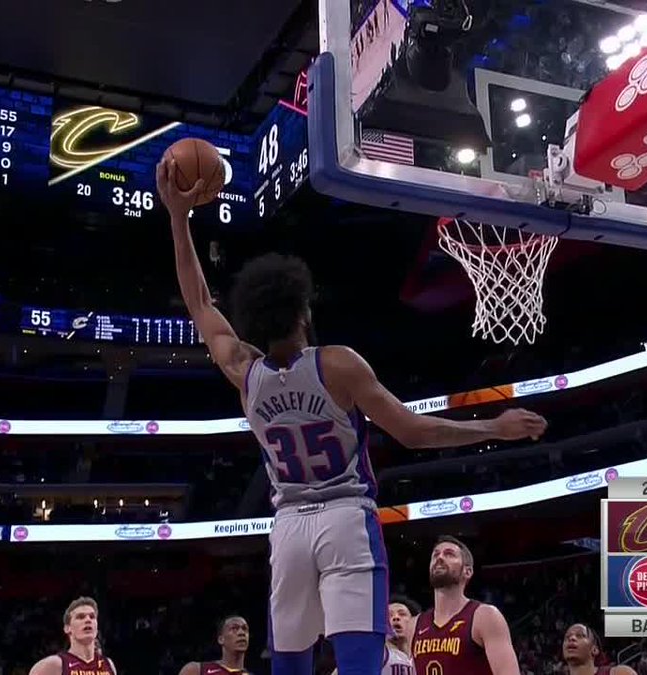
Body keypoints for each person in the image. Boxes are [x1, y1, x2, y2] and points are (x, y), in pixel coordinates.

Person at [157, 159, 546, 675]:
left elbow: (200, 304)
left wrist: (178, 217)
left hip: (288, 526)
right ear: (303, 311)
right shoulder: (337, 364)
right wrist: (493, 427)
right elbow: (413, 431)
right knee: (360, 661)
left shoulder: (244, 372)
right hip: (345, 518)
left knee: (289, 663)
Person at [411, 537, 519, 675]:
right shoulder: (413, 625)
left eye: (449, 554)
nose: (440, 558)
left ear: (467, 571)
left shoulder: (485, 617)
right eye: (435, 554)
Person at [28, 597, 117, 675]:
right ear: (67, 628)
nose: (88, 620)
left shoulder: (108, 664)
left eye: (92, 616)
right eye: (80, 617)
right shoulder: (54, 664)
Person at [331, 598, 418, 675]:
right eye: (389, 615)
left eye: (402, 614)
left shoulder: (420, 656)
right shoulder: (373, 651)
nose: (396, 617)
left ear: (413, 621)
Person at [178, 615, 252, 675]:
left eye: (245, 629)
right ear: (221, 639)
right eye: (234, 628)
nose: (242, 633)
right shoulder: (196, 670)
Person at [562, 623, 637, 675]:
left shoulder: (619, 673)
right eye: (567, 637)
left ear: (594, 650)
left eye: (580, 635)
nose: (571, 638)